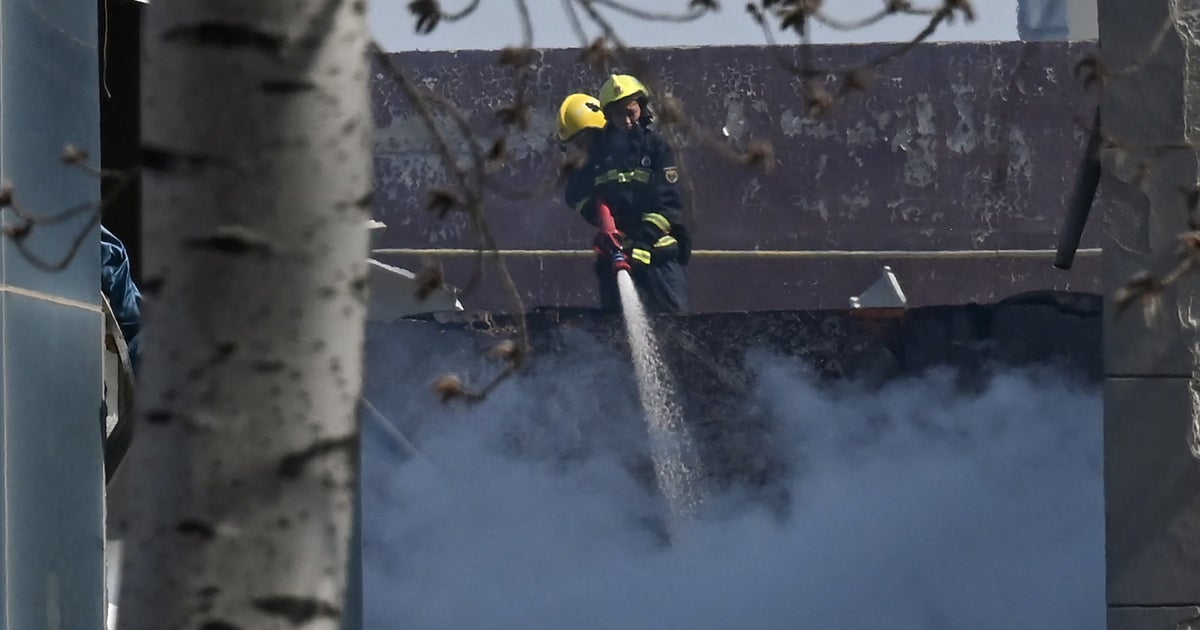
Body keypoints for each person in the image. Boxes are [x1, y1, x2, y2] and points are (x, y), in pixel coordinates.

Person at [562, 75, 691, 314]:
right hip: (615, 260)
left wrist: (642, 244)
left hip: (658, 258)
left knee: (676, 325)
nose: (627, 121)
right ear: (608, 116)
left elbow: (668, 204)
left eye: (631, 112)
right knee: (616, 329)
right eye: (618, 115)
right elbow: (575, 193)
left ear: (641, 107)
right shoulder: (600, 154)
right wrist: (602, 222)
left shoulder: (656, 148)